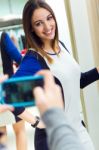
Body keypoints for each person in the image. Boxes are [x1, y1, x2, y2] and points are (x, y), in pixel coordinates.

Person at [11, 0, 99, 150]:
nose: (47, 26)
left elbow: (77, 81)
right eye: (39, 23)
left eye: (49, 18)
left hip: (78, 130)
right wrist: (36, 122)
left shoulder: (61, 46)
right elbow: (8, 95)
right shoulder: (34, 58)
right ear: (31, 28)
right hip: (53, 139)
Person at [34, 70, 85, 150]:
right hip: (54, 131)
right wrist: (36, 121)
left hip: (71, 127)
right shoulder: (34, 59)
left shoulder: (64, 57)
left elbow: (79, 79)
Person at [0, 32, 27, 150]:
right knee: (20, 130)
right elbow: (19, 59)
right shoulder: (3, 37)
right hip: (11, 88)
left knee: (1, 133)